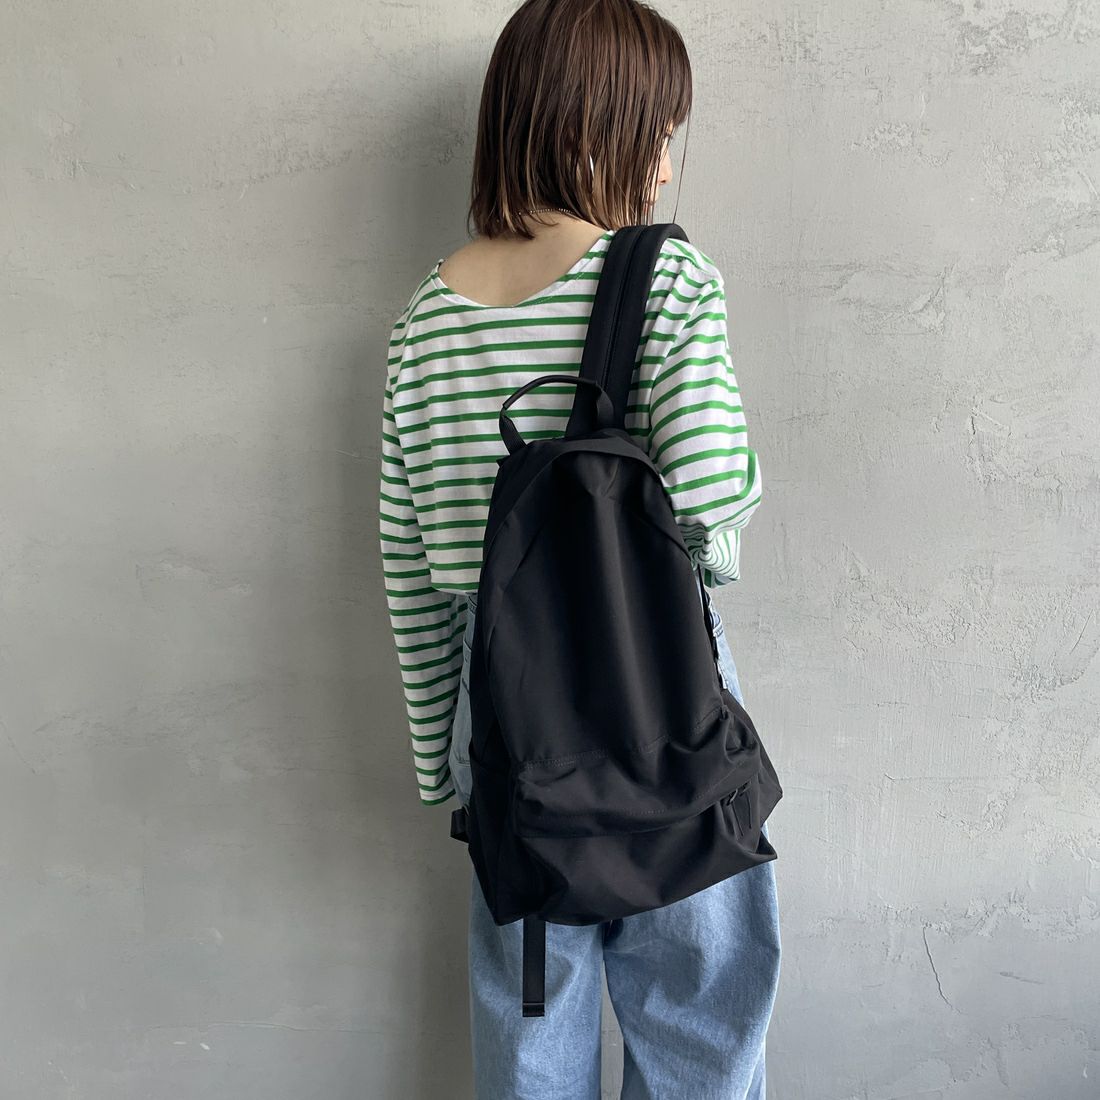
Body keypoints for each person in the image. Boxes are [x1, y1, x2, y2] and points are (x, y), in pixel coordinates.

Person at [378, 1, 781, 1096]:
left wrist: (442, 759)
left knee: (529, 1021)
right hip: (657, 691)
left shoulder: (423, 321)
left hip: (505, 721)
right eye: (657, 134)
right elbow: (712, 509)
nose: (665, 167)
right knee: (699, 1014)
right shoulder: (667, 280)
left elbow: (413, 571)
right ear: (589, 129)